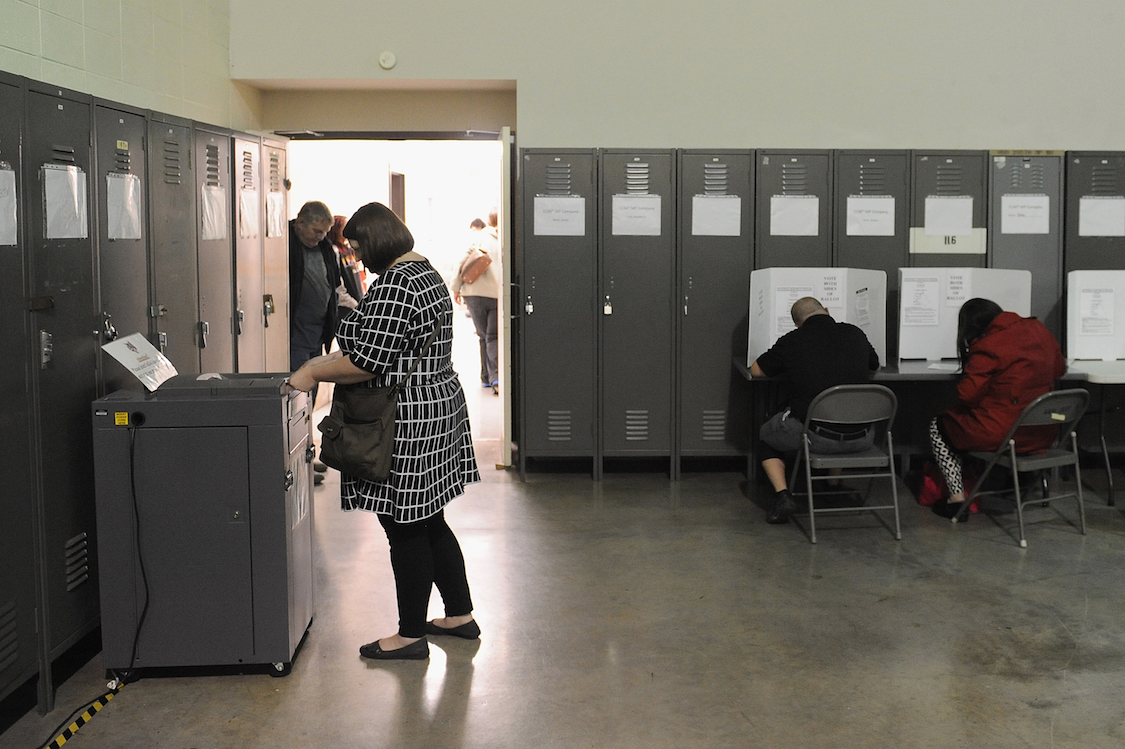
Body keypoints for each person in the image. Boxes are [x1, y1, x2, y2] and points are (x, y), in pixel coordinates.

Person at [287, 202, 481, 661]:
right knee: (429, 516)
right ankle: (459, 615)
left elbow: (364, 363)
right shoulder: (425, 272)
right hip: (436, 406)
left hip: (406, 416)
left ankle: (410, 635)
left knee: (404, 524)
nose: (355, 256)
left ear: (375, 241)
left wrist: (312, 372)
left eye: (357, 246)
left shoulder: (397, 284)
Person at [928, 298, 1066, 519]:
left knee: (940, 425)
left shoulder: (989, 345)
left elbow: (967, 395)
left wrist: (972, 351)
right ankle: (1016, 484)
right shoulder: (1039, 329)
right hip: (1042, 434)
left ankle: (956, 499)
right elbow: (1060, 369)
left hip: (1003, 435)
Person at [750, 297, 881, 524]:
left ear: (797, 324)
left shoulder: (792, 340)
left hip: (817, 438)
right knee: (842, 413)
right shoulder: (855, 333)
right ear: (827, 311)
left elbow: (756, 371)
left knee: (766, 433)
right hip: (863, 437)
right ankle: (833, 485)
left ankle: (783, 496)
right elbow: (875, 365)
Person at [289, 201, 342, 373]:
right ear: (301, 223)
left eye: (324, 233)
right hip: (295, 338)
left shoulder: (326, 249)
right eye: (317, 231)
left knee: (312, 391)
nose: (320, 237)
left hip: (318, 336)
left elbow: (335, 285)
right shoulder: (286, 244)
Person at [451, 210, 500, 394]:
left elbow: (462, 261)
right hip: (495, 294)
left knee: (483, 335)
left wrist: (456, 288)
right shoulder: (502, 240)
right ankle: (495, 377)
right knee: (493, 336)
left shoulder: (478, 238)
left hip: (473, 293)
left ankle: (486, 377)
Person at [328, 214, 363, 318]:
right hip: (345, 308)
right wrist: (353, 304)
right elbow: (338, 286)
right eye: (344, 227)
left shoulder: (350, 249)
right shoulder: (334, 251)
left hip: (357, 300)